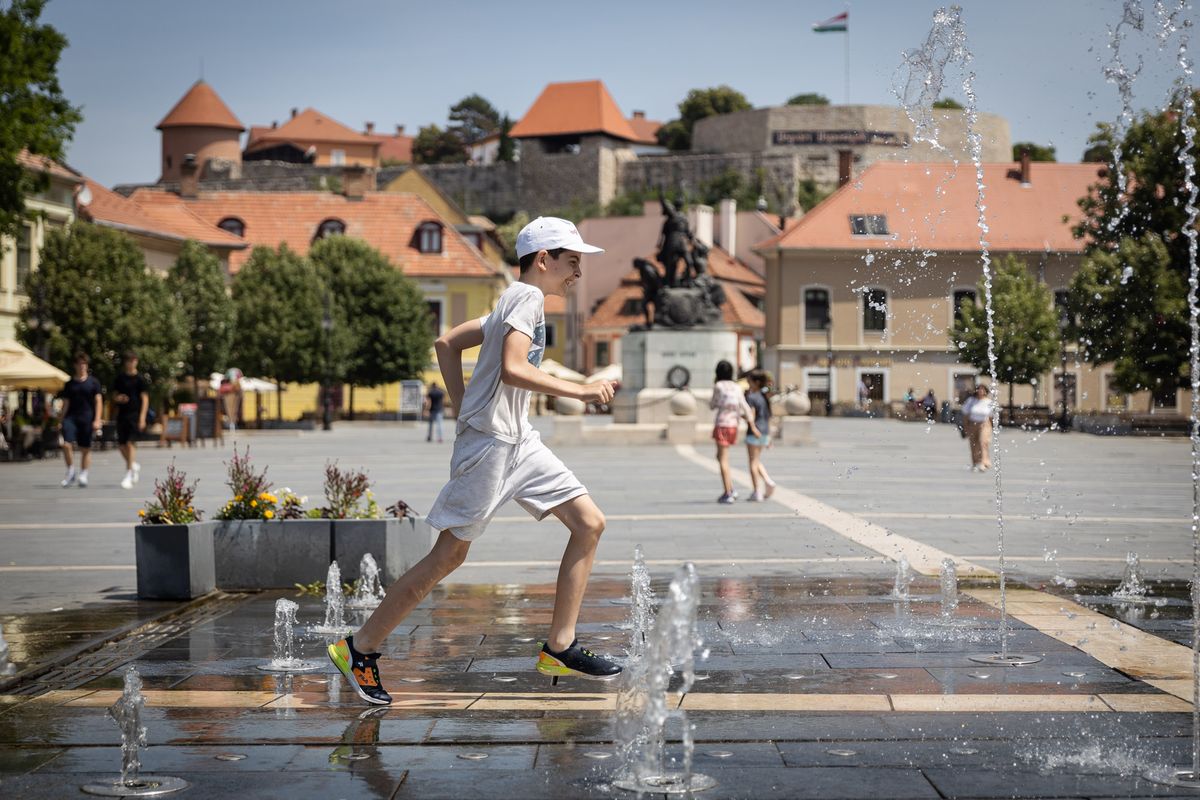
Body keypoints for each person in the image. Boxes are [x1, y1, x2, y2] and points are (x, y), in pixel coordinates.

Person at [328, 216, 620, 706]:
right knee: (449, 556)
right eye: (572, 262)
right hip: (490, 447)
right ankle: (359, 648)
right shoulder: (525, 298)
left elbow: (445, 344)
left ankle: (559, 647)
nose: (577, 273)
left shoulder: (512, 301)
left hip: (518, 440)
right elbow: (510, 368)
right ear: (543, 260)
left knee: (589, 523)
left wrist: (463, 403)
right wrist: (581, 389)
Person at [710, 360, 759, 505]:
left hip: (722, 424)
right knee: (720, 456)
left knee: (723, 459)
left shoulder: (718, 386)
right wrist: (752, 424)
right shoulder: (736, 387)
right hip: (733, 426)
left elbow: (713, 404)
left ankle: (728, 492)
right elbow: (744, 406)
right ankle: (730, 488)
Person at [59, 353, 103, 488]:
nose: (82, 366)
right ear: (75, 365)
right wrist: (61, 419)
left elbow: (98, 401)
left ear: (87, 365)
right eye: (79, 363)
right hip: (71, 417)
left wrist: (97, 419)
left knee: (85, 448)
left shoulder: (93, 382)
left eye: (84, 363)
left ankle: (83, 474)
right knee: (66, 444)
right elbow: (66, 403)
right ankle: (71, 471)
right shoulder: (69, 384)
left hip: (87, 417)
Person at [113, 351, 149, 489]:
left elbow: (145, 399)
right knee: (121, 445)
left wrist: (142, 417)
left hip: (135, 414)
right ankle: (133, 465)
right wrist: (119, 398)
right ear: (125, 363)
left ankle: (128, 474)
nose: (131, 363)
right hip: (122, 414)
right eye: (129, 361)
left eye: (133, 360)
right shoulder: (120, 378)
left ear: (136, 362)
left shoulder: (140, 379)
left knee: (130, 443)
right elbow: (114, 395)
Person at [744, 370, 777, 502]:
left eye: (750, 381)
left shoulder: (751, 397)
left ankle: (756, 491)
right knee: (756, 460)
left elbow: (750, 415)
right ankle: (768, 481)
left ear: (756, 383)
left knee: (752, 462)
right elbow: (768, 416)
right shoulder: (764, 397)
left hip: (754, 432)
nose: (748, 384)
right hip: (764, 431)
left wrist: (752, 427)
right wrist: (768, 436)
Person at [962, 383, 995, 471]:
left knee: (982, 442)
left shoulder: (989, 402)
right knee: (973, 444)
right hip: (972, 424)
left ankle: (983, 462)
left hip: (985, 424)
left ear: (985, 391)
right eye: (979, 389)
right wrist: (965, 426)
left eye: (982, 389)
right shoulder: (971, 401)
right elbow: (965, 414)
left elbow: (991, 416)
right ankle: (975, 462)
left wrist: (992, 427)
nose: (980, 391)